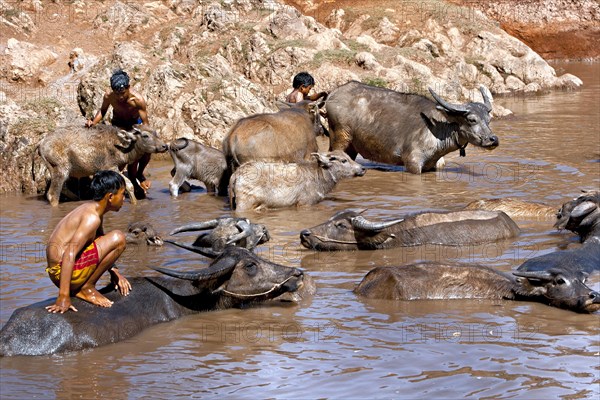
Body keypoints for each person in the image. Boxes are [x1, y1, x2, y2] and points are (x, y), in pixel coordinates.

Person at [45, 170, 131, 314]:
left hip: (58, 272)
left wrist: (115, 272)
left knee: (111, 239)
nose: (124, 199)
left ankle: (82, 286)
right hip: (63, 272)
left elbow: (101, 241)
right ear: (110, 197)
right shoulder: (92, 218)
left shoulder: (93, 209)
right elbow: (69, 253)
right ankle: (87, 288)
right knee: (119, 238)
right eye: (123, 194)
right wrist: (63, 296)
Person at [86, 69, 152, 198]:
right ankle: (131, 180)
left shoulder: (138, 100)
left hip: (135, 124)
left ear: (128, 87)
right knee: (127, 156)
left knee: (144, 153)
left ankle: (139, 174)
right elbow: (103, 110)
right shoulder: (109, 96)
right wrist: (93, 122)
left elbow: (145, 123)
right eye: (117, 94)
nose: (120, 97)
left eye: (123, 93)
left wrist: (143, 138)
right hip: (119, 124)